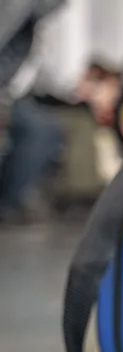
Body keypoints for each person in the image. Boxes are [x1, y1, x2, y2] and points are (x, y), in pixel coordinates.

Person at [0, 5, 65, 224]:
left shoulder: (29, 28)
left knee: (45, 129)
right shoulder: (12, 15)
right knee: (40, 130)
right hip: (6, 97)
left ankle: (8, 201)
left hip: (14, 97)